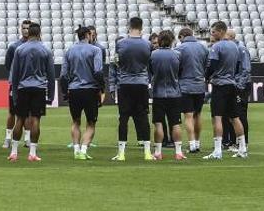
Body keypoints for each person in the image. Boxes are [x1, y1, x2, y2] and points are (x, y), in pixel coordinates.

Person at [7, 22, 55, 162]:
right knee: (35, 120)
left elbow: (14, 74)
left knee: (20, 119)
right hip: (39, 88)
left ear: (29, 34)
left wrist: (14, 94)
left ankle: (14, 152)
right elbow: (51, 76)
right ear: (39, 34)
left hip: (22, 88)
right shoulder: (46, 50)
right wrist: (50, 95)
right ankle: (32, 153)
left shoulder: (20, 50)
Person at [110, 17, 153, 162]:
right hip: (141, 83)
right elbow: (149, 64)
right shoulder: (147, 44)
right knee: (143, 117)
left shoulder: (121, 44)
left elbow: (116, 62)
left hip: (125, 83)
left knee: (123, 117)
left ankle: (121, 153)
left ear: (129, 26)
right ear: (141, 27)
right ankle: (147, 152)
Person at [204, 21, 248, 160]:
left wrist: (206, 77)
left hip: (220, 85)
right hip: (232, 84)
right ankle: (242, 148)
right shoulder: (235, 47)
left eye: (214, 32)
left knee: (217, 117)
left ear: (221, 31)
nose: (212, 34)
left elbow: (213, 66)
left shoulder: (216, 47)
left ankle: (217, 151)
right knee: (235, 117)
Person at [60, 26, 104, 161]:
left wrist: (65, 92)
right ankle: (83, 150)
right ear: (87, 35)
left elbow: (63, 75)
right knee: (91, 123)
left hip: (74, 89)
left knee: (75, 121)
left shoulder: (69, 51)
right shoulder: (96, 50)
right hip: (90, 89)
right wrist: (102, 88)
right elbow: (98, 71)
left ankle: (76, 150)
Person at [150, 30, 185, 161]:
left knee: (158, 123)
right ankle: (179, 152)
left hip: (158, 93)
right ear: (172, 41)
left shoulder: (153, 55)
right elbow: (180, 72)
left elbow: (150, 71)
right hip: (174, 93)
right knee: (175, 123)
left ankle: (158, 152)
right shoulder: (177, 55)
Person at [175, 28, 208, 154]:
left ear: (182, 36)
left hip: (185, 85)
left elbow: (176, 67)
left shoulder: (180, 49)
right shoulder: (203, 48)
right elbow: (207, 65)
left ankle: (192, 144)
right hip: (200, 85)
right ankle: (198, 143)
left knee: (188, 116)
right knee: (198, 114)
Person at [3, 20, 32, 148]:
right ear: (21, 29)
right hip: (16, 84)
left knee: (28, 113)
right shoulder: (14, 47)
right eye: (24, 28)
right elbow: (8, 65)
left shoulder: (35, 46)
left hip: (29, 84)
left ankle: (27, 138)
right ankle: (8, 138)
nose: (26, 30)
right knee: (12, 112)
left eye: (28, 28)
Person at [225, 29, 252, 152]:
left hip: (241, 86)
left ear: (230, 37)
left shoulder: (241, 49)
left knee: (240, 114)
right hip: (233, 84)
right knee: (232, 114)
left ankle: (243, 142)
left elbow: (246, 69)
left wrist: (239, 85)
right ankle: (234, 142)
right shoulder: (232, 49)